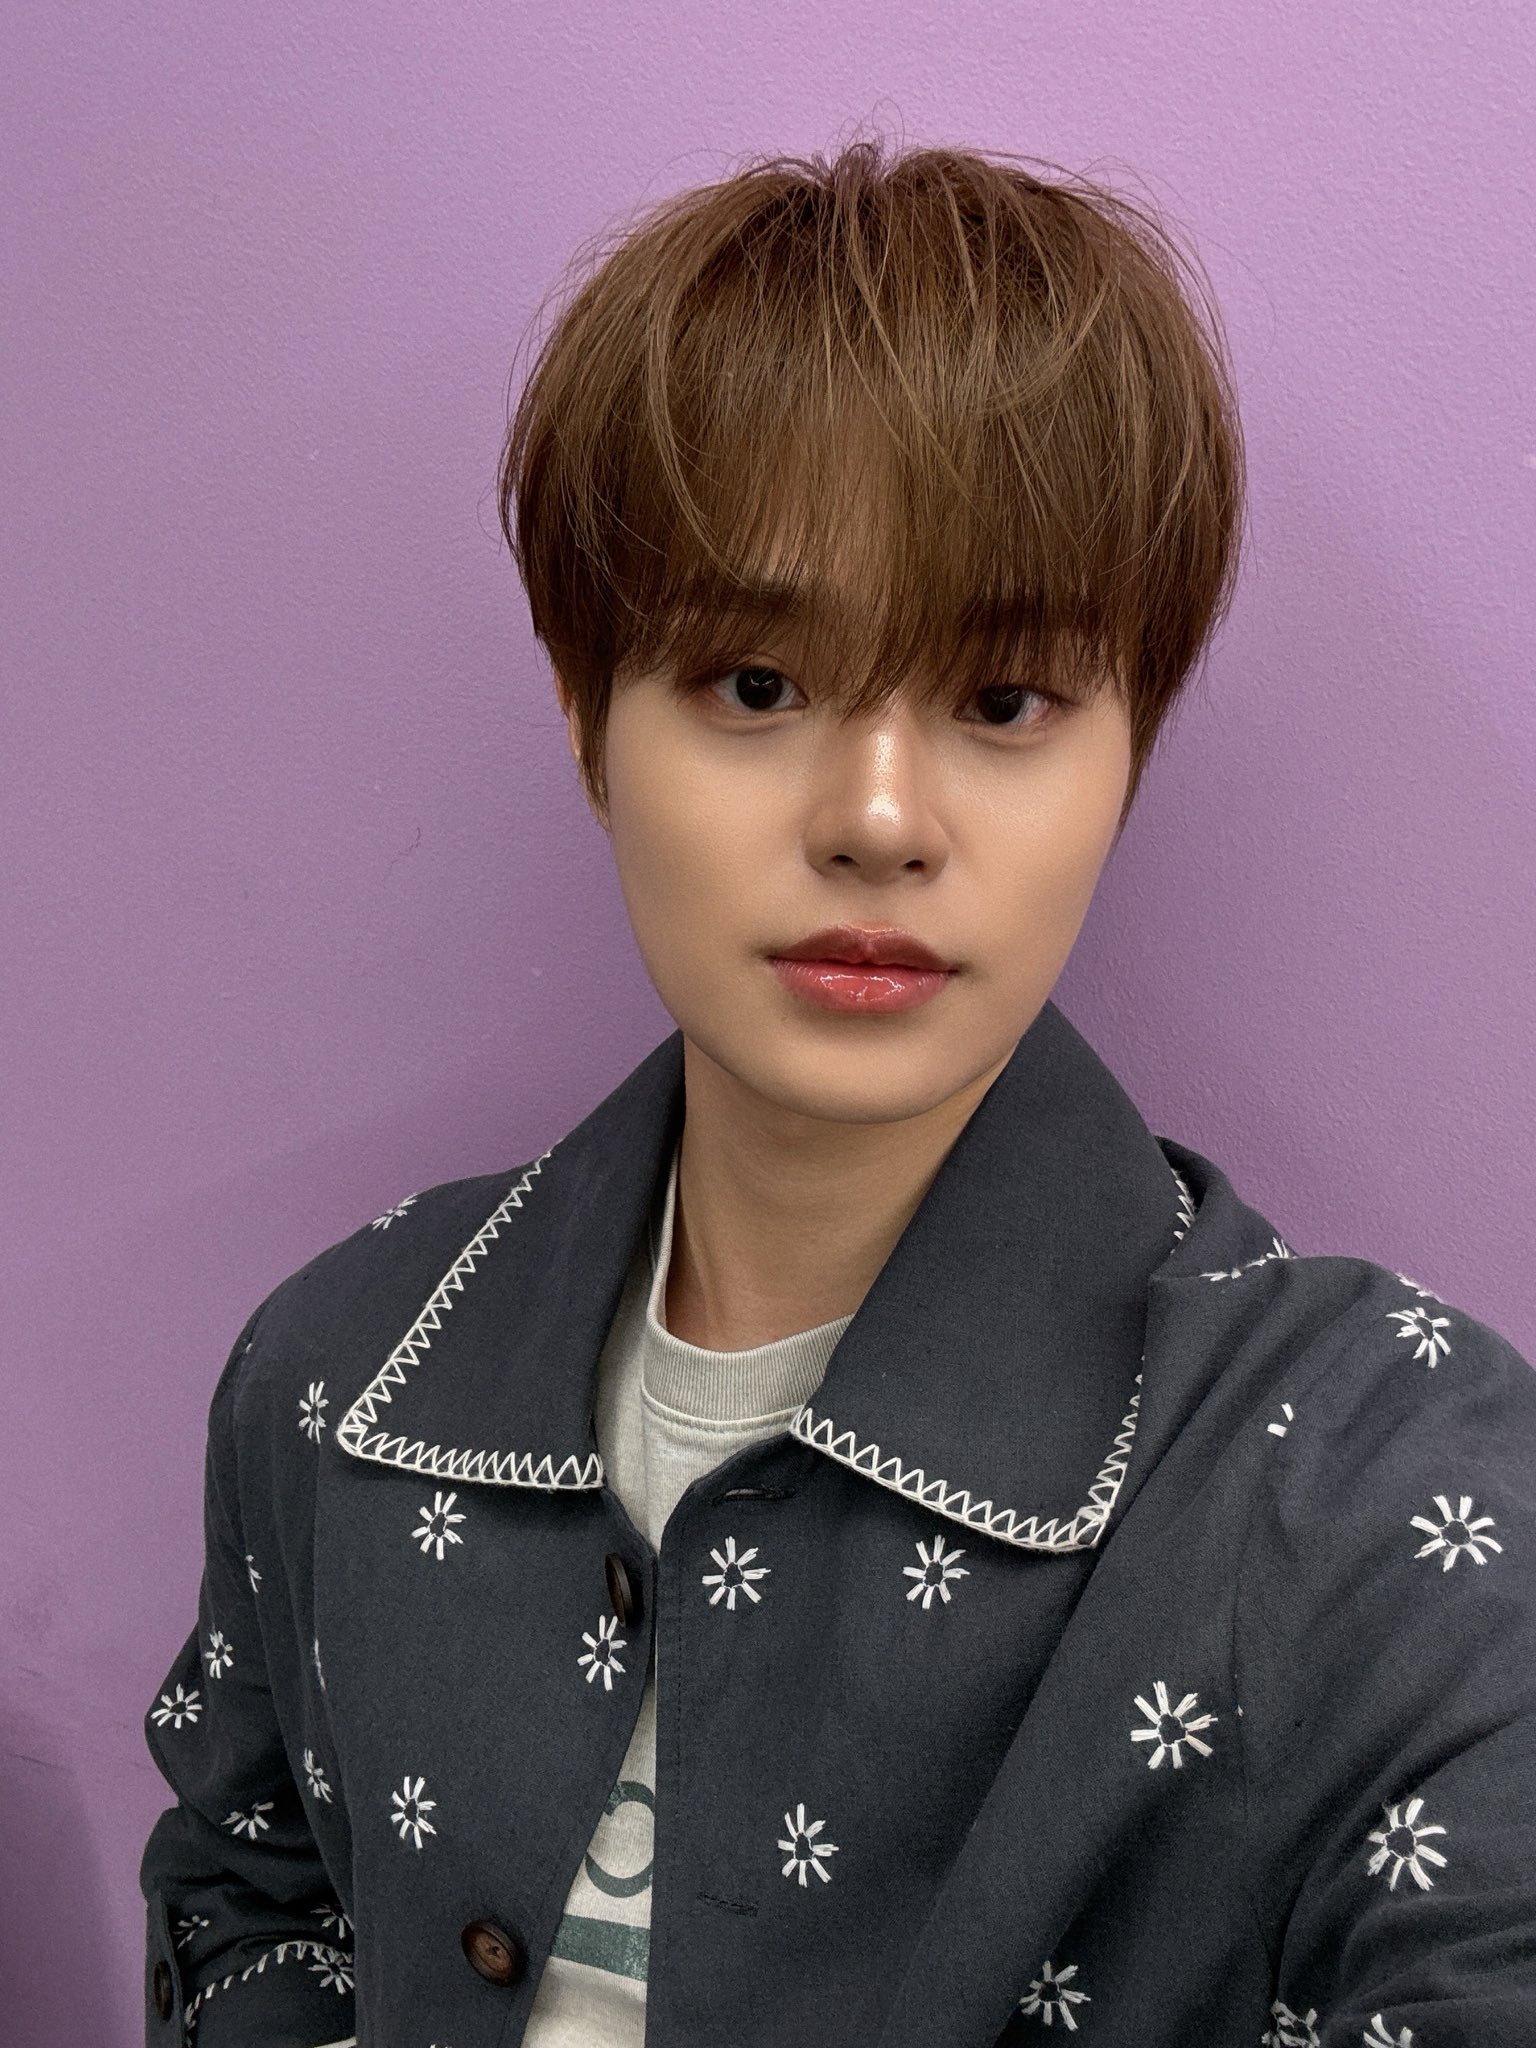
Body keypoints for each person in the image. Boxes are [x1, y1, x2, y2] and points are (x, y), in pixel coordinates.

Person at [138, 140, 1536, 2048]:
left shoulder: (1386, 1491)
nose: (878, 819)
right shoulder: (332, 1375)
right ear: (584, 710)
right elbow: (248, 1897)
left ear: (1132, 742)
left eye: (1005, 700)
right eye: (756, 683)